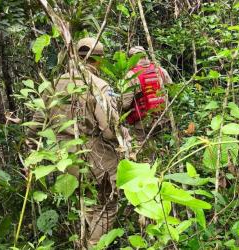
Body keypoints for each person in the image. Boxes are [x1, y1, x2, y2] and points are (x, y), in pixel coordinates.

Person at [27, 37, 130, 247]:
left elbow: (37, 124)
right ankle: (93, 245)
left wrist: (32, 152)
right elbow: (110, 131)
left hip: (62, 155)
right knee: (107, 205)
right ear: (98, 61)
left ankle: (84, 241)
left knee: (89, 202)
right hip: (92, 152)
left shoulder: (55, 83)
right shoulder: (99, 85)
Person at [122, 46, 173, 142]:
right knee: (164, 147)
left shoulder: (130, 75)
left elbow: (125, 104)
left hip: (143, 123)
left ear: (132, 58)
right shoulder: (161, 70)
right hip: (163, 118)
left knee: (146, 153)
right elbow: (172, 91)